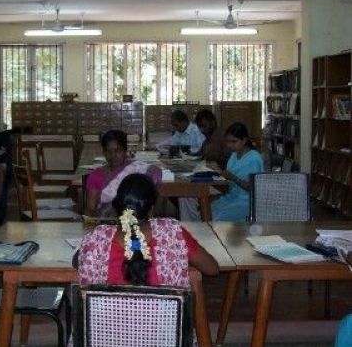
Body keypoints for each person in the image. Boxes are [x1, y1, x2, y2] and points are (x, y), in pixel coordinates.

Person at [77, 173, 219, 288]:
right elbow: (212, 269)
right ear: (151, 211)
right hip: (163, 323)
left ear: (117, 208)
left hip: (105, 323)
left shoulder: (96, 240)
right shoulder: (173, 234)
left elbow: (78, 262)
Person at [85, 130, 162, 218]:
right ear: (104, 153)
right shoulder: (96, 176)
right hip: (106, 221)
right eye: (108, 151)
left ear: (125, 150)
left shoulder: (135, 169)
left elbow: (154, 174)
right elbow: (90, 209)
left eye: (118, 150)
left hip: (135, 222)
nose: (113, 155)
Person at [211, 122, 264, 221]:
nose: (229, 145)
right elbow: (229, 175)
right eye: (227, 141)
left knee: (219, 217)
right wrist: (219, 172)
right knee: (208, 209)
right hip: (232, 196)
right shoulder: (234, 155)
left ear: (244, 140)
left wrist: (232, 177)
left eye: (233, 141)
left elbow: (253, 187)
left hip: (247, 201)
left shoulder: (254, 158)